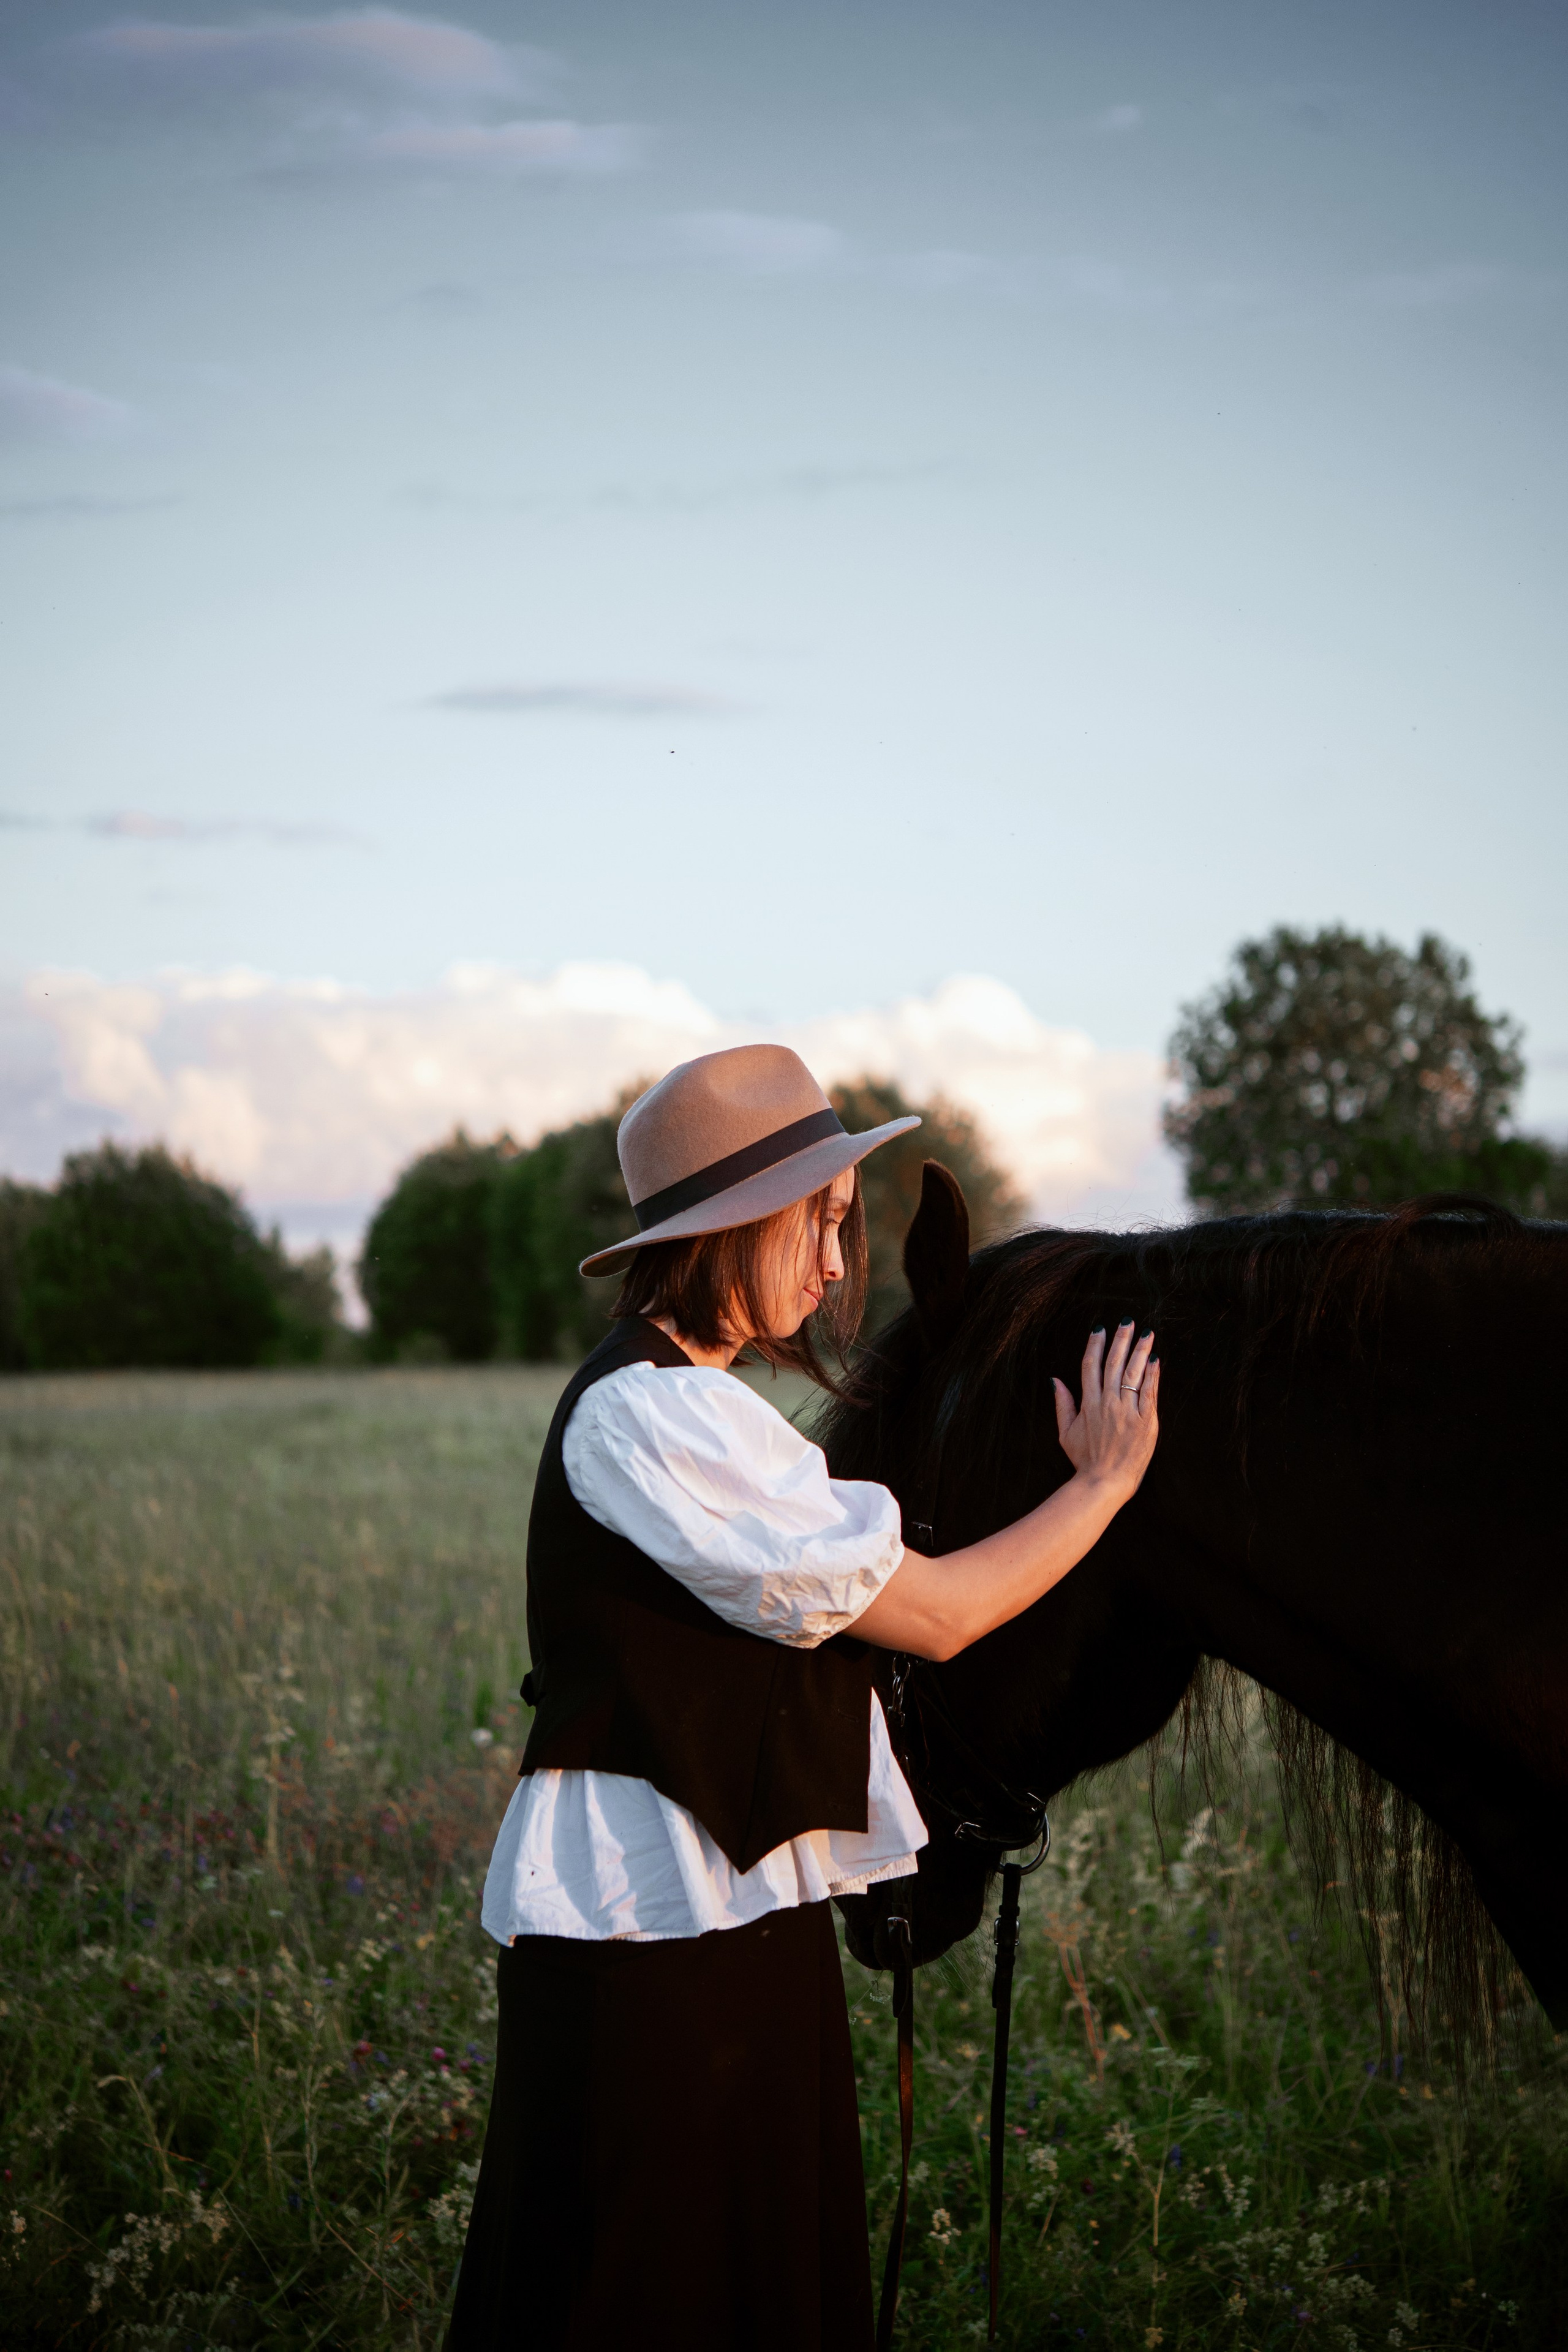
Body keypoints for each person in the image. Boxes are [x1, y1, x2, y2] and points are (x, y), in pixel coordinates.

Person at [446, 1044, 1159, 2352]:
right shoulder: (651, 1418)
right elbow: (935, 1614)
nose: (837, 1266)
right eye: (819, 1224)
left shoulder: (701, 1415)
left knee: (756, 2283)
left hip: (730, 1914)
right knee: (641, 2297)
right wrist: (1100, 1487)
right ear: (729, 1228)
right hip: (645, 1936)